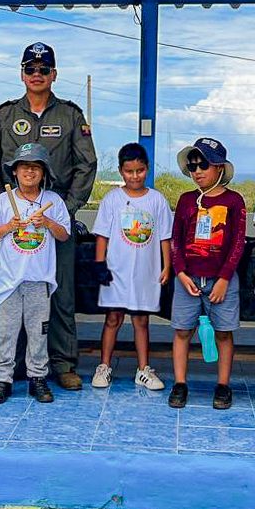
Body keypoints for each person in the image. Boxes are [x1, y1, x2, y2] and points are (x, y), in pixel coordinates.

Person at [0, 42, 97, 391]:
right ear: (22, 74)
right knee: (11, 293)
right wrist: (4, 205)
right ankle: (10, 366)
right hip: (14, 226)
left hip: (53, 222)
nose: (37, 74)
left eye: (44, 69)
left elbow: (86, 164)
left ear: (54, 75)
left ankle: (61, 363)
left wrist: (66, 208)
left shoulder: (71, 116)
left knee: (59, 294)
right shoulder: (4, 116)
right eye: (30, 69)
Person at [0, 143, 71, 404]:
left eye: (35, 167)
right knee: (6, 333)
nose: (29, 172)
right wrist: (9, 226)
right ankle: (3, 379)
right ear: (15, 172)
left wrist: (48, 222)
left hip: (39, 280)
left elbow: (64, 235)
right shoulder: (3, 201)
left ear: (44, 173)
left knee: (38, 333)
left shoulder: (53, 201)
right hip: (8, 281)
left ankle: (37, 378)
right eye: (24, 167)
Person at [168, 137, 247, 410]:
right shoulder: (186, 200)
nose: (197, 171)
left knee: (223, 333)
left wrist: (224, 278)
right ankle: (180, 383)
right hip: (187, 279)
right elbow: (176, 240)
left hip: (221, 280)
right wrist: (180, 273)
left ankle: (223, 385)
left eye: (204, 165)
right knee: (182, 331)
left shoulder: (234, 201)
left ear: (220, 168)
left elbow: (238, 243)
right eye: (192, 166)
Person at [91, 143, 173, 391]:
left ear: (147, 168)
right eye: (129, 171)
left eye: (140, 170)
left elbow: (165, 237)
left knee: (141, 320)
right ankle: (104, 366)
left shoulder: (157, 200)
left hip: (146, 273)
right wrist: (99, 264)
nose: (135, 176)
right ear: (120, 171)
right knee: (113, 318)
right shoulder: (112, 199)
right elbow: (102, 235)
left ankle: (143, 369)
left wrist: (167, 266)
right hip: (116, 272)